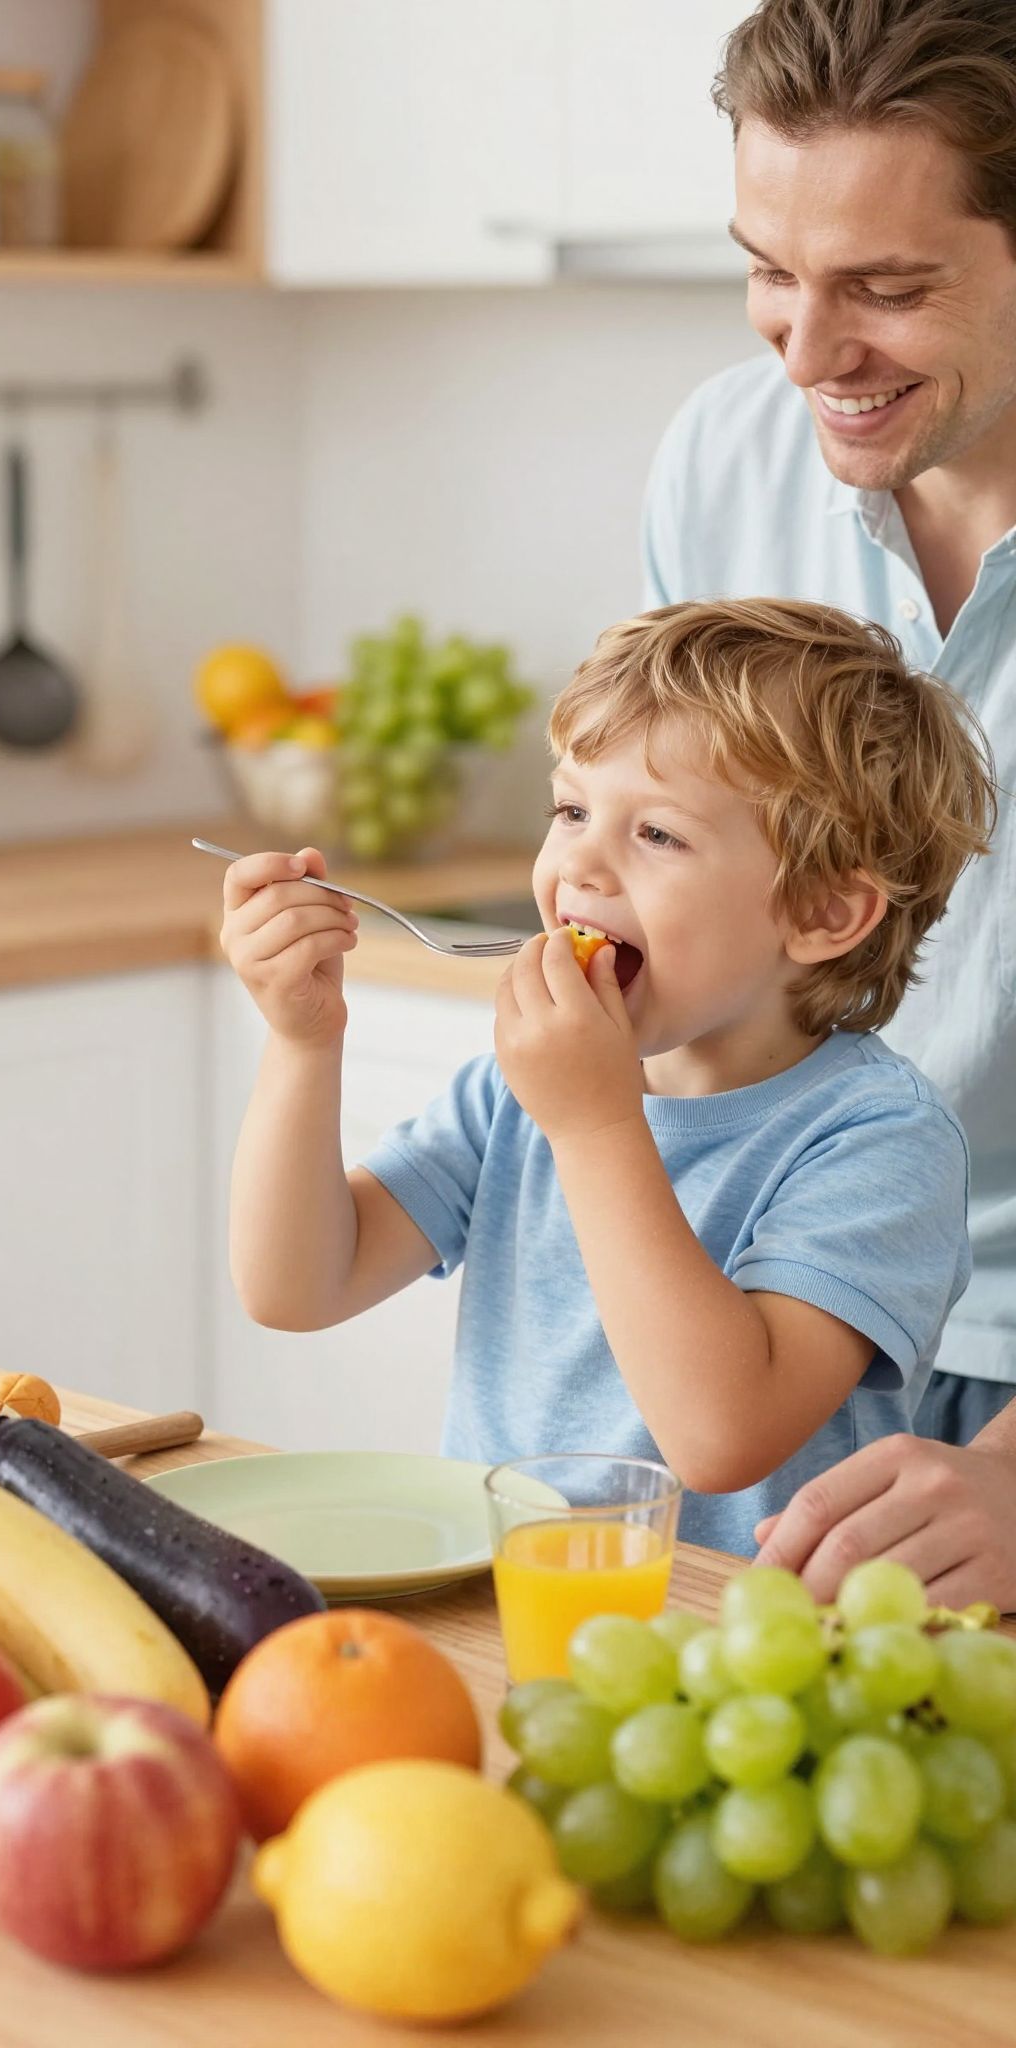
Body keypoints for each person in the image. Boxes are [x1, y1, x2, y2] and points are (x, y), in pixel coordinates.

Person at [220, 597, 994, 1558]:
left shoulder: (879, 1142)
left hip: (732, 1655)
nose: (580, 861)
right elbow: (296, 1284)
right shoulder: (519, 1091)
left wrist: (594, 1127)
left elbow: (721, 1436)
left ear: (825, 913)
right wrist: (303, 1042)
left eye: (657, 835)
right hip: (512, 1602)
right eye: (573, 809)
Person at [641, 0, 1016, 1599]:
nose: (805, 352)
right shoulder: (726, 460)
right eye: (770, 272)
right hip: (778, 1327)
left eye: (887, 289)